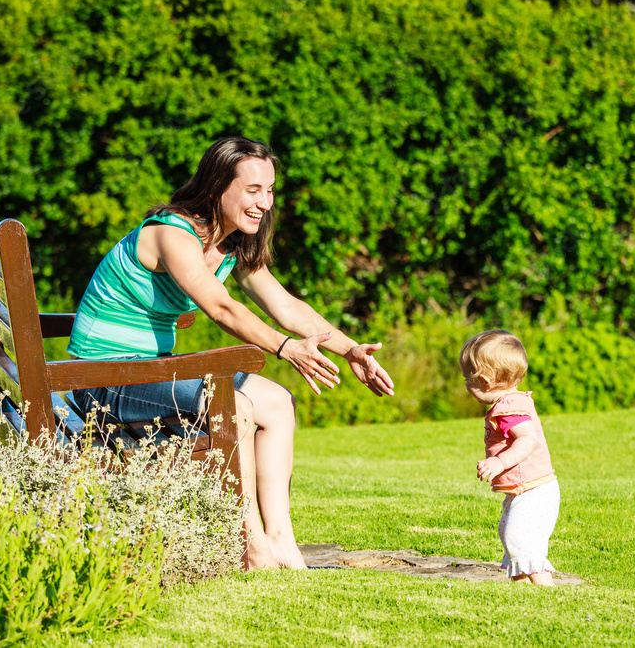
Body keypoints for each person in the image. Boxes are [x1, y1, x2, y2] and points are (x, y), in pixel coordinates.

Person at [67, 136, 395, 570]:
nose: (265, 202)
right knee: (233, 405)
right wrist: (284, 348)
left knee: (278, 404)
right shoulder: (170, 232)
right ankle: (250, 543)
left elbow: (287, 306)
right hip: (101, 380)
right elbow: (220, 307)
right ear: (216, 188)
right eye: (253, 190)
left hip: (148, 373)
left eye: (271, 190)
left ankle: (281, 540)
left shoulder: (233, 244)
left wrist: (351, 349)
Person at [459, 330, 559, 586]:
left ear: (484, 380)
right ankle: (522, 588)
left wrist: (499, 462)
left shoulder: (508, 407)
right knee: (510, 536)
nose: (465, 384)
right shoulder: (510, 402)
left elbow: (528, 439)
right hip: (525, 490)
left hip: (534, 490)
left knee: (520, 539)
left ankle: (547, 593)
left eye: (466, 379)